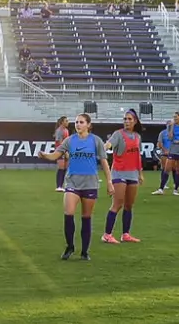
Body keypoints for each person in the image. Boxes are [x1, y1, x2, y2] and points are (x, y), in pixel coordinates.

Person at [46, 113, 107, 261]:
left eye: (81, 122)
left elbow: (104, 162)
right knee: (68, 214)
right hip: (72, 182)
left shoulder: (96, 140)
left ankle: (85, 251)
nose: (78, 124)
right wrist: (44, 155)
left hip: (90, 183)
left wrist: (110, 181)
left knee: (86, 217)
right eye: (76, 122)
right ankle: (70, 247)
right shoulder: (70, 140)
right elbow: (56, 155)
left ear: (88, 125)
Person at [100, 109, 145, 245]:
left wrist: (140, 173)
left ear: (135, 121)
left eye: (129, 119)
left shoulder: (137, 137)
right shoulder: (118, 134)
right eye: (125, 119)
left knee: (129, 205)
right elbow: (109, 144)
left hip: (133, 174)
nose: (126, 121)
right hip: (119, 173)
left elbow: (137, 156)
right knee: (117, 204)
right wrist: (104, 147)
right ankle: (107, 235)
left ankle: (126, 234)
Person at [50, 116, 71, 194]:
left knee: (65, 168)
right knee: (61, 167)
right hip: (60, 151)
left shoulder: (66, 130)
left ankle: (63, 185)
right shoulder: (59, 131)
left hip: (65, 151)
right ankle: (59, 186)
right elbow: (60, 143)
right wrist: (65, 152)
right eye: (66, 121)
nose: (68, 122)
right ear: (62, 122)